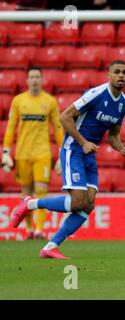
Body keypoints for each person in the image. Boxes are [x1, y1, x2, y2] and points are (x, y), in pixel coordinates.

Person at [10, 60, 125, 259]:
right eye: (116, 72)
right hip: (73, 149)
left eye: (124, 73)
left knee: (89, 203)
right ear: (108, 75)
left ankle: (50, 246)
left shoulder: (123, 103)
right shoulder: (96, 94)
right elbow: (65, 117)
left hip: (90, 154)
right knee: (77, 202)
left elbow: (113, 136)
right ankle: (31, 203)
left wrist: (120, 148)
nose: (121, 76)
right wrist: (83, 142)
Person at [2, 66, 64, 240]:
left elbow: (58, 129)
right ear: (27, 80)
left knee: (42, 191)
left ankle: (39, 230)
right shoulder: (18, 101)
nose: (35, 80)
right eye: (32, 77)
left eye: (38, 77)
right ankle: (29, 231)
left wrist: (61, 152)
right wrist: (6, 152)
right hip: (22, 154)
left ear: (42, 79)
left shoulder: (50, 101)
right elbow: (11, 127)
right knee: (26, 193)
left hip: (42, 154)